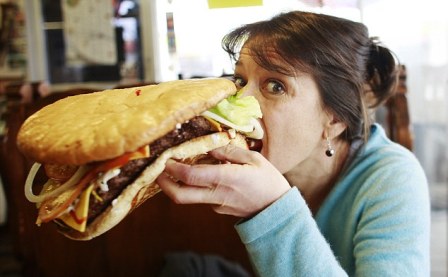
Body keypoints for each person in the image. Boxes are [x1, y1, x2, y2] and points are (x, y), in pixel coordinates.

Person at [156, 11, 430, 276]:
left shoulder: (394, 177)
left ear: (334, 119)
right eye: (240, 80)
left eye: (275, 86)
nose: (239, 100)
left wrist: (271, 210)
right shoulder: (266, 162)